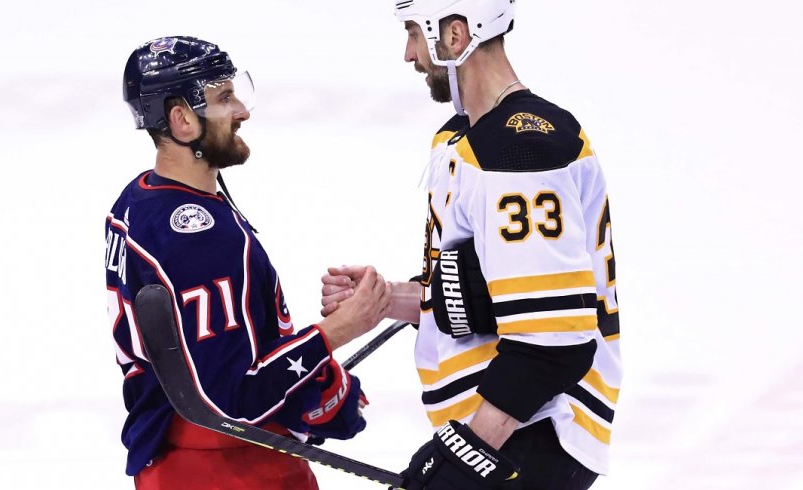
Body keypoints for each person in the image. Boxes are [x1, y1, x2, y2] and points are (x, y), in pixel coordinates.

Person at [321, 2, 621, 488]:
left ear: (455, 36)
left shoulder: (520, 149)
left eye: (415, 34)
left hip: (533, 431)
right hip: (508, 429)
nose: (409, 54)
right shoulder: (464, 137)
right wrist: (391, 299)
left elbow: (553, 342)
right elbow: (491, 295)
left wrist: (469, 451)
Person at [105, 36, 390, 490]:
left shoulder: (137, 200)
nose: (242, 111)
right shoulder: (200, 237)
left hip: (171, 464)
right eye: (224, 98)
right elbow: (234, 399)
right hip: (233, 469)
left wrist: (324, 381)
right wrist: (342, 329)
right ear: (181, 119)